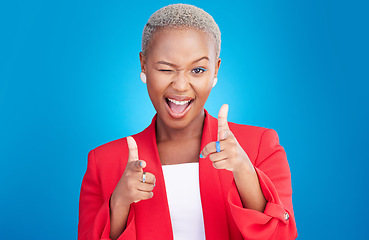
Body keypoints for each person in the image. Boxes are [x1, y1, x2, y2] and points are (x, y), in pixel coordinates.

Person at [78, 4, 297, 240]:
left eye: (198, 70)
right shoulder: (103, 162)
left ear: (215, 70)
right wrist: (119, 201)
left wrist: (244, 170)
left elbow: (281, 235)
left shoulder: (260, 147)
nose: (181, 86)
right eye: (165, 69)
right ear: (143, 65)